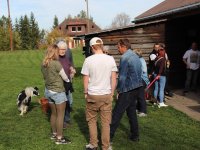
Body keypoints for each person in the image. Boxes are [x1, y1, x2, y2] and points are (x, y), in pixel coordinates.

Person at [81, 37, 117, 150]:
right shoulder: (110, 59)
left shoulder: (88, 60)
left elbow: (86, 78)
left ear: (92, 47)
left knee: (92, 121)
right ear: (101, 45)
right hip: (106, 94)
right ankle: (105, 147)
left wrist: (85, 92)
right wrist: (112, 92)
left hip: (93, 94)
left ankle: (93, 144)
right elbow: (114, 78)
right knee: (106, 123)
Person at [110, 39, 143, 143]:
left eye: (118, 47)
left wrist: (119, 90)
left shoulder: (125, 57)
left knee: (116, 114)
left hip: (127, 89)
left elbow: (122, 77)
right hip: (136, 88)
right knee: (131, 113)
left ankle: (108, 138)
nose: (118, 49)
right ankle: (135, 136)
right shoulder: (136, 56)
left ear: (124, 46)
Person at [41, 44, 71, 144]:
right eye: (58, 51)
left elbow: (45, 78)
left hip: (48, 91)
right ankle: (59, 138)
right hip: (58, 92)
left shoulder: (44, 64)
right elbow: (65, 78)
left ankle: (54, 134)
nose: (59, 53)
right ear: (54, 52)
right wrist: (71, 76)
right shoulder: (56, 63)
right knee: (60, 115)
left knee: (53, 114)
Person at [57, 41, 76, 128]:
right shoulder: (55, 58)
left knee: (68, 102)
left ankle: (67, 119)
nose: (63, 51)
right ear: (57, 49)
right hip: (59, 84)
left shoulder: (66, 57)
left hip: (67, 83)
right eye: (61, 49)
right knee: (61, 103)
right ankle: (62, 121)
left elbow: (70, 65)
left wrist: (72, 69)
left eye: (65, 49)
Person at [134, 49, 150, 117]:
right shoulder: (139, 60)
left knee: (141, 96)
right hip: (139, 80)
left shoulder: (141, 60)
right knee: (138, 95)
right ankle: (138, 108)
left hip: (142, 80)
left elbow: (144, 70)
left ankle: (143, 111)